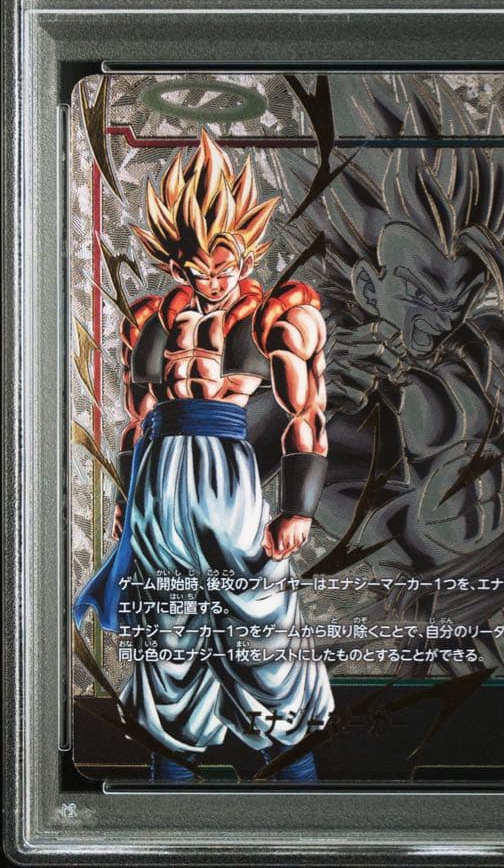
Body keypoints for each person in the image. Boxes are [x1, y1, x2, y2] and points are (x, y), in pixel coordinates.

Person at [74, 130, 334, 782]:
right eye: (197, 268)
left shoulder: (276, 315)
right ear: (175, 262)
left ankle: (297, 779)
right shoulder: (151, 321)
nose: (213, 280)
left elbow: (305, 413)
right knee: (167, 628)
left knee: (258, 622)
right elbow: (139, 421)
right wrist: (126, 505)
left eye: (225, 264)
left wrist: (297, 507)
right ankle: (170, 783)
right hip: (160, 486)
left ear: (247, 250)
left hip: (229, 480)